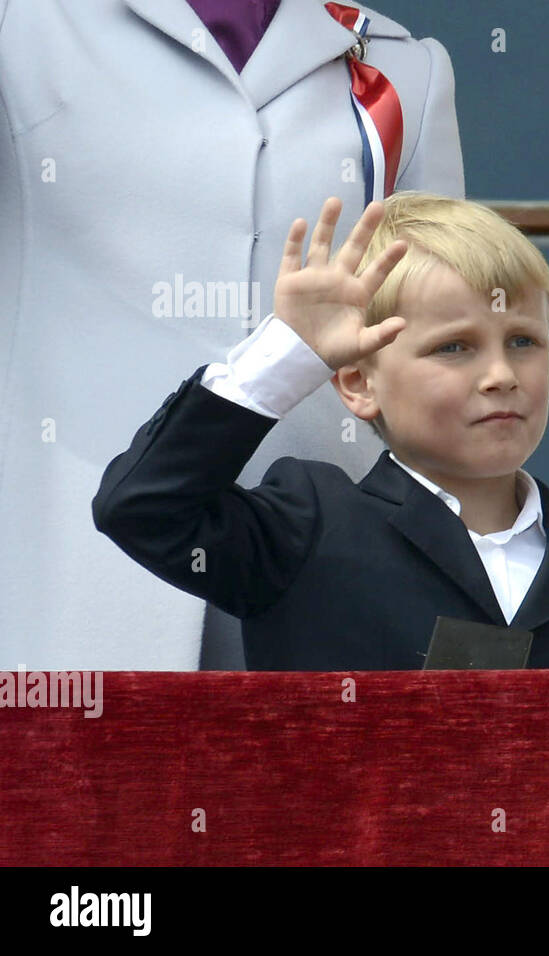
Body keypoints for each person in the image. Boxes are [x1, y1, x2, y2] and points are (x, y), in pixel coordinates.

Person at [0, 0, 462, 669]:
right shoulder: (26, 20)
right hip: (70, 559)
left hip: (318, 571)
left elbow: (439, 343)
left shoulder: (399, 63)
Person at [93, 195, 549, 669]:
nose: (501, 376)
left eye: (523, 341)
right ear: (359, 384)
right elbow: (142, 508)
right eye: (453, 347)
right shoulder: (307, 527)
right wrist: (287, 356)